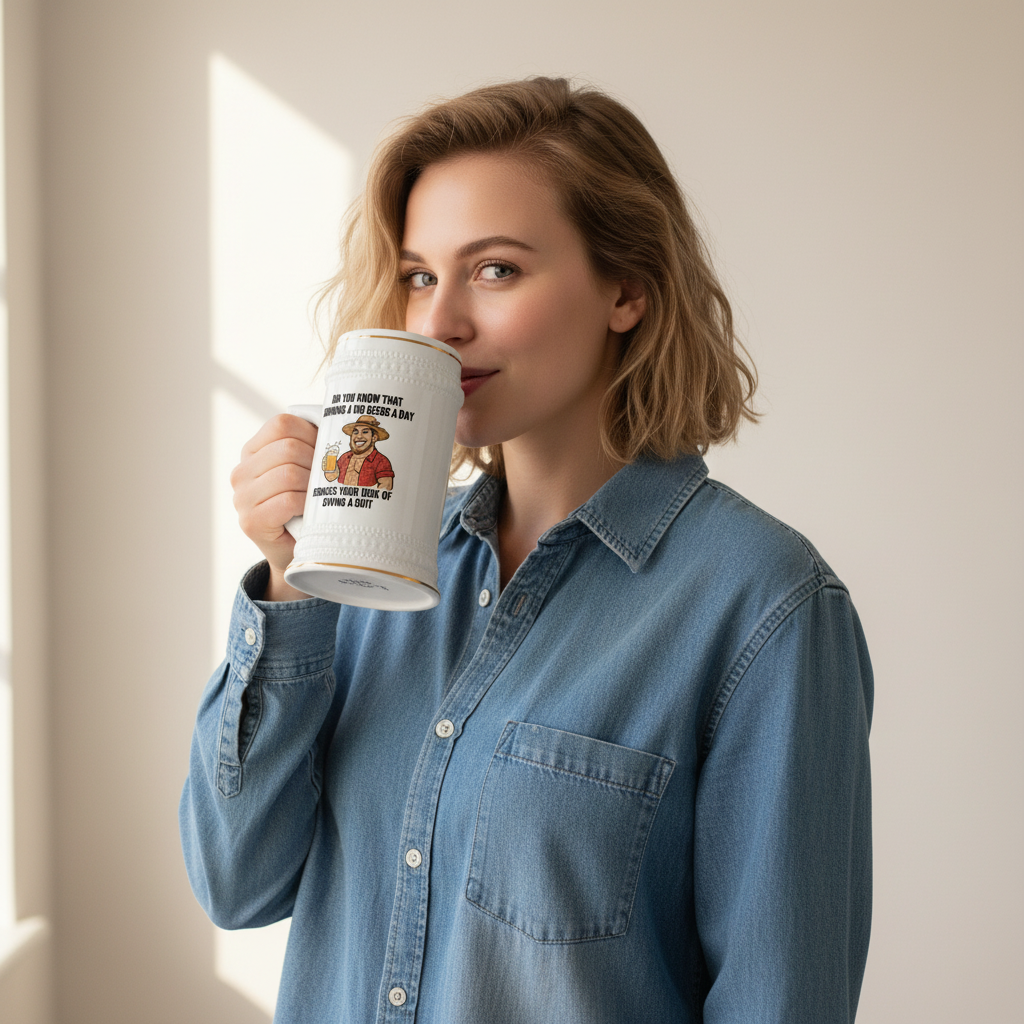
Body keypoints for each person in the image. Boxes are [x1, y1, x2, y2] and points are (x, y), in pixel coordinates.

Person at [180, 77, 873, 1024]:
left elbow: (781, 997)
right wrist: (291, 587)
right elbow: (236, 883)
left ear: (626, 288)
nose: (439, 322)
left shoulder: (762, 606)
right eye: (421, 275)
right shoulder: (365, 564)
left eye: (495, 270)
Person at [324, 414, 395, 489]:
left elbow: (385, 488)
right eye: (355, 432)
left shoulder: (381, 461)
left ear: (374, 438)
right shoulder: (345, 457)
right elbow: (330, 478)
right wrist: (329, 464)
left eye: (365, 432)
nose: (359, 436)